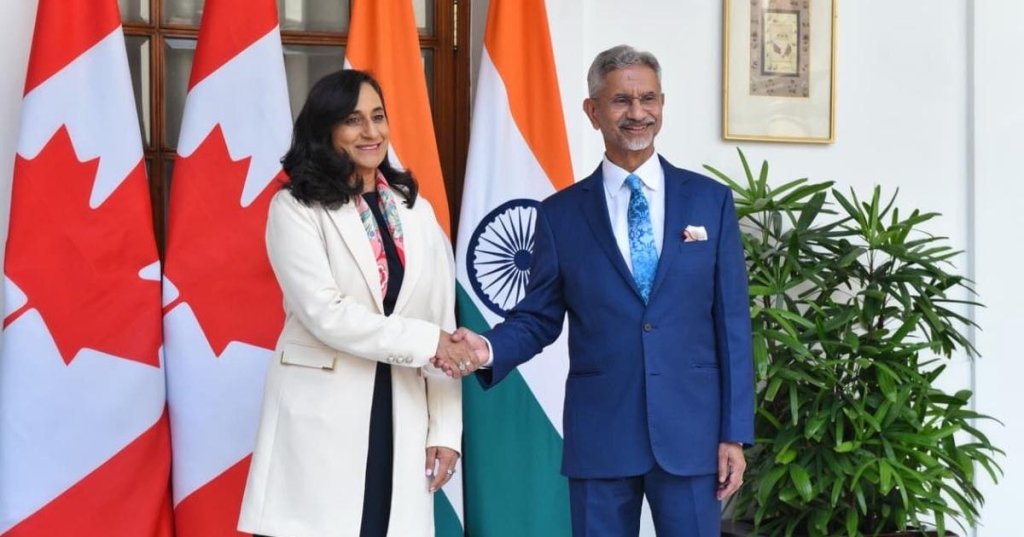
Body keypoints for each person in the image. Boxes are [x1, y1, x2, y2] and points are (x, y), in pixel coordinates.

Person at [438, 45, 755, 536]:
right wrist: (488, 346)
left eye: (648, 99)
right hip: (601, 432)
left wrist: (734, 434)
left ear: (662, 105)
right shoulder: (560, 215)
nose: (637, 113)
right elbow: (539, 317)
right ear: (592, 111)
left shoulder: (710, 201)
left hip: (692, 433)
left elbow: (732, 324)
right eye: (621, 101)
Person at [238, 69, 469, 537]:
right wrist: (431, 341)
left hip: (401, 409)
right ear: (326, 132)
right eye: (353, 120)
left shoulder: (416, 211)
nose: (371, 132)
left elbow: (440, 319)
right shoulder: (294, 207)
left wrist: (445, 431)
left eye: (378, 117)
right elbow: (326, 314)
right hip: (321, 414)